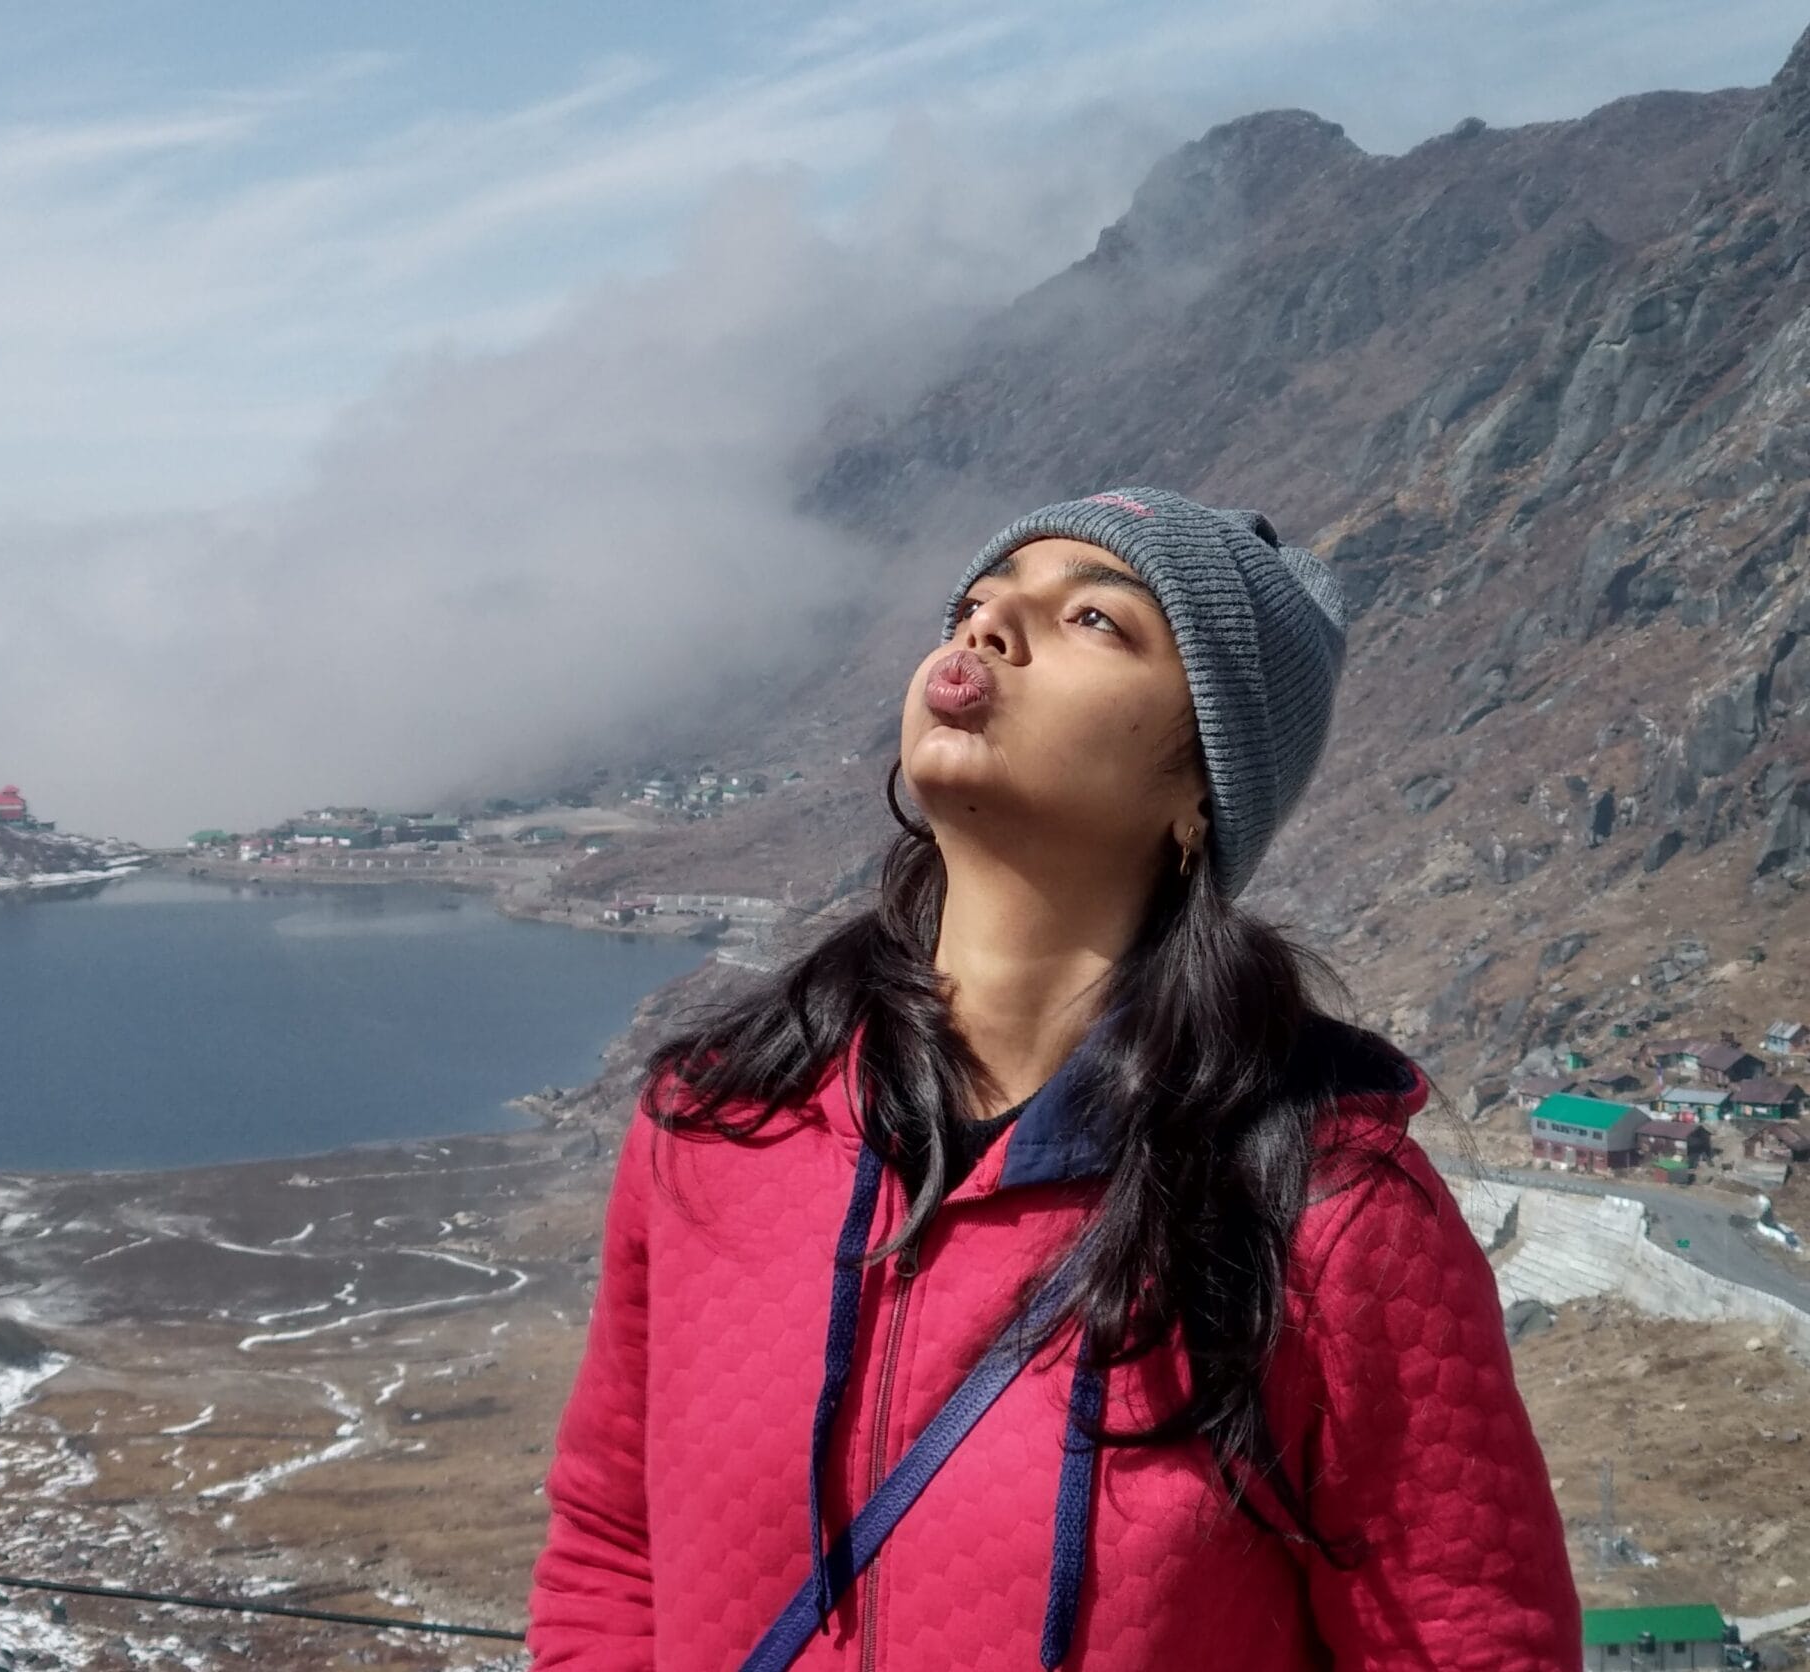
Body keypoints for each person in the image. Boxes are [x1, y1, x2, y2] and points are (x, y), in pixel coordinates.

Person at [523, 487, 1578, 1670]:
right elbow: (613, 1549)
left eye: (1091, 618)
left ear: (1201, 790)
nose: (986, 629)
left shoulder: (1324, 1208)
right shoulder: (717, 1122)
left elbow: (1469, 1645)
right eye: (975, 603)